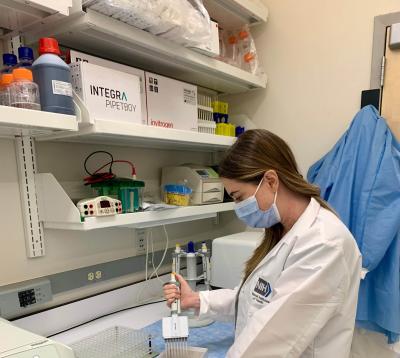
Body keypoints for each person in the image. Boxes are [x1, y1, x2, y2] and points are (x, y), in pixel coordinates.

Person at [164, 129, 362, 358]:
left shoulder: (324, 243)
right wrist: (197, 299)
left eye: (239, 197)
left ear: (270, 180)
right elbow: (254, 298)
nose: (238, 208)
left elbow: (270, 339)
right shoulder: (282, 233)